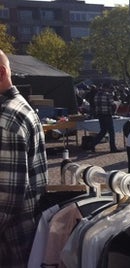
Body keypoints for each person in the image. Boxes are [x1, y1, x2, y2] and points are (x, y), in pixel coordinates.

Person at [0, 49, 49, 267]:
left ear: (1, 73)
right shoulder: (21, 107)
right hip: (26, 234)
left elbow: (7, 199)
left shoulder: (6, 118)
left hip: (10, 244)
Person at [89, 84, 120, 153]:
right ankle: (113, 148)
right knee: (111, 132)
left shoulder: (96, 95)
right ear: (107, 88)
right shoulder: (107, 94)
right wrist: (116, 105)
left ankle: (92, 144)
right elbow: (113, 104)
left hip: (100, 115)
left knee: (103, 131)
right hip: (107, 115)